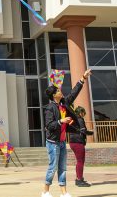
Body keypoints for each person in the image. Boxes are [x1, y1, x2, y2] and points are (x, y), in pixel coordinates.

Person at [41, 69, 92, 197]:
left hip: (62, 141)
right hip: (53, 143)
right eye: (57, 91)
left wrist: (83, 78)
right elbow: (49, 125)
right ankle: (45, 191)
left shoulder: (64, 103)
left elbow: (74, 93)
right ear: (54, 95)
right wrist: (60, 121)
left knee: (62, 168)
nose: (60, 91)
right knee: (53, 167)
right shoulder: (49, 108)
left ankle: (63, 193)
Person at [68, 106, 94, 187]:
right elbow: (83, 131)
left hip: (73, 142)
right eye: (83, 112)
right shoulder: (80, 119)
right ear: (80, 113)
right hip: (78, 142)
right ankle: (79, 180)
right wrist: (91, 133)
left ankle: (79, 178)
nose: (84, 114)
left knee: (79, 161)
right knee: (80, 162)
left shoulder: (74, 120)